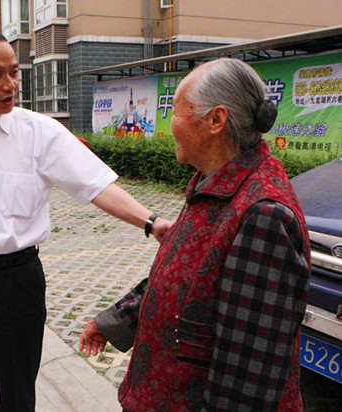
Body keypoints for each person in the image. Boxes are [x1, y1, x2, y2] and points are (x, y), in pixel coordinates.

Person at [0, 27, 172, 412]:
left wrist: (151, 220)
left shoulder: (40, 133)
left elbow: (95, 185)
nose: (10, 85)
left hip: (17, 282)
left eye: (14, 72)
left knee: (18, 393)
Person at [80, 58, 310, 411]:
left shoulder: (262, 214)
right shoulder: (214, 185)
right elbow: (186, 279)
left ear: (216, 120)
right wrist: (115, 322)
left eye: (177, 110)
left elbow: (248, 376)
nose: (169, 122)